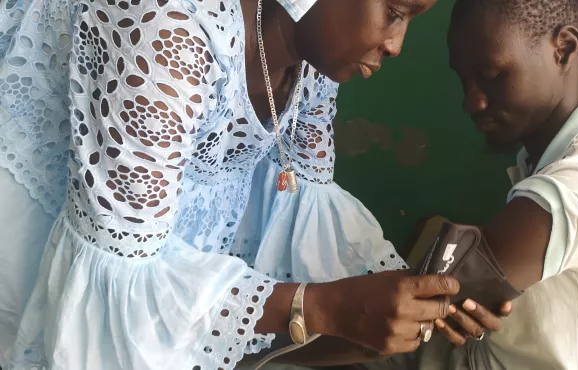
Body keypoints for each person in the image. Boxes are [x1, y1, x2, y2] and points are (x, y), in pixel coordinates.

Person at [0, 0, 511, 369]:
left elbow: (305, 210)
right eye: (395, 12)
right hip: (45, 247)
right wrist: (326, 308)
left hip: (151, 277)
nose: (397, 46)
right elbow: (120, 293)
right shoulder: (165, 32)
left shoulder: (314, 63)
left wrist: (410, 297)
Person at [300, 0, 578, 369]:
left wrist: (255, 349)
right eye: (464, 79)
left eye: (492, 75)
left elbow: (402, 315)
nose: (472, 101)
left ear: (563, 49)